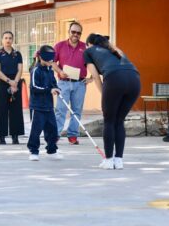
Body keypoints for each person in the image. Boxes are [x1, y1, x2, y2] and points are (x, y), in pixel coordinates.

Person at [84, 33, 140, 170]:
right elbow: (121, 60)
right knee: (119, 120)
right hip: (135, 80)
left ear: (89, 44)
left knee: (109, 121)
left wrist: (105, 94)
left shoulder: (88, 51)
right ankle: (118, 160)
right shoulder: (113, 49)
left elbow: (96, 77)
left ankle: (109, 160)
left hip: (114, 79)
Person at [53, 22, 90, 145]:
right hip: (63, 83)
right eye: (73, 32)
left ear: (81, 34)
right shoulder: (59, 46)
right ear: (69, 32)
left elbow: (95, 64)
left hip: (80, 84)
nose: (75, 34)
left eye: (78, 33)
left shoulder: (85, 47)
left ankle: (73, 135)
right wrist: (60, 71)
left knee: (77, 111)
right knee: (60, 110)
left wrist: (91, 79)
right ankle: (56, 134)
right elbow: (52, 62)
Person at [27, 45, 62, 161]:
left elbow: (53, 83)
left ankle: (52, 150)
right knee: (36, 130)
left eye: (52, 59)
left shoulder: (50, 70)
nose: (51, 61)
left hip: (48, 106)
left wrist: (56, 89)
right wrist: (49, 90)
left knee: (52, 129)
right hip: (37, 106)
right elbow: (34, 87)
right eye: (49, 60)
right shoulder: (36, 70)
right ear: (41, 58)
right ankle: (33, 151)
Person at [0, 31, 24, 145]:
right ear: (2, 40)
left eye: (10, 38)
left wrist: (15, 82)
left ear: (13, 40)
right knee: (1, 110)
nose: (8, 40)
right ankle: (1, 136)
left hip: (15, 82)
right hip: (3, 82)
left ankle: (15, 136)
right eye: (5, 38)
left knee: (15, 110)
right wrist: (8, 81)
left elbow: (20, 69)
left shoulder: (17, 54)